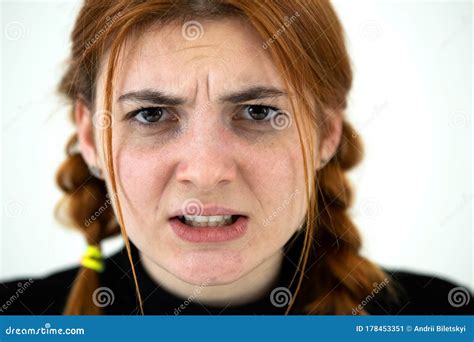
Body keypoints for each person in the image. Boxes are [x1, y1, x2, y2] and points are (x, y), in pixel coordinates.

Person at [1, 0, 472, 315]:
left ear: (327, 131)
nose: (205, 173)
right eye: (150, 114)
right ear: (90, 135)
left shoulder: (441, 315)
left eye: (258, 111)